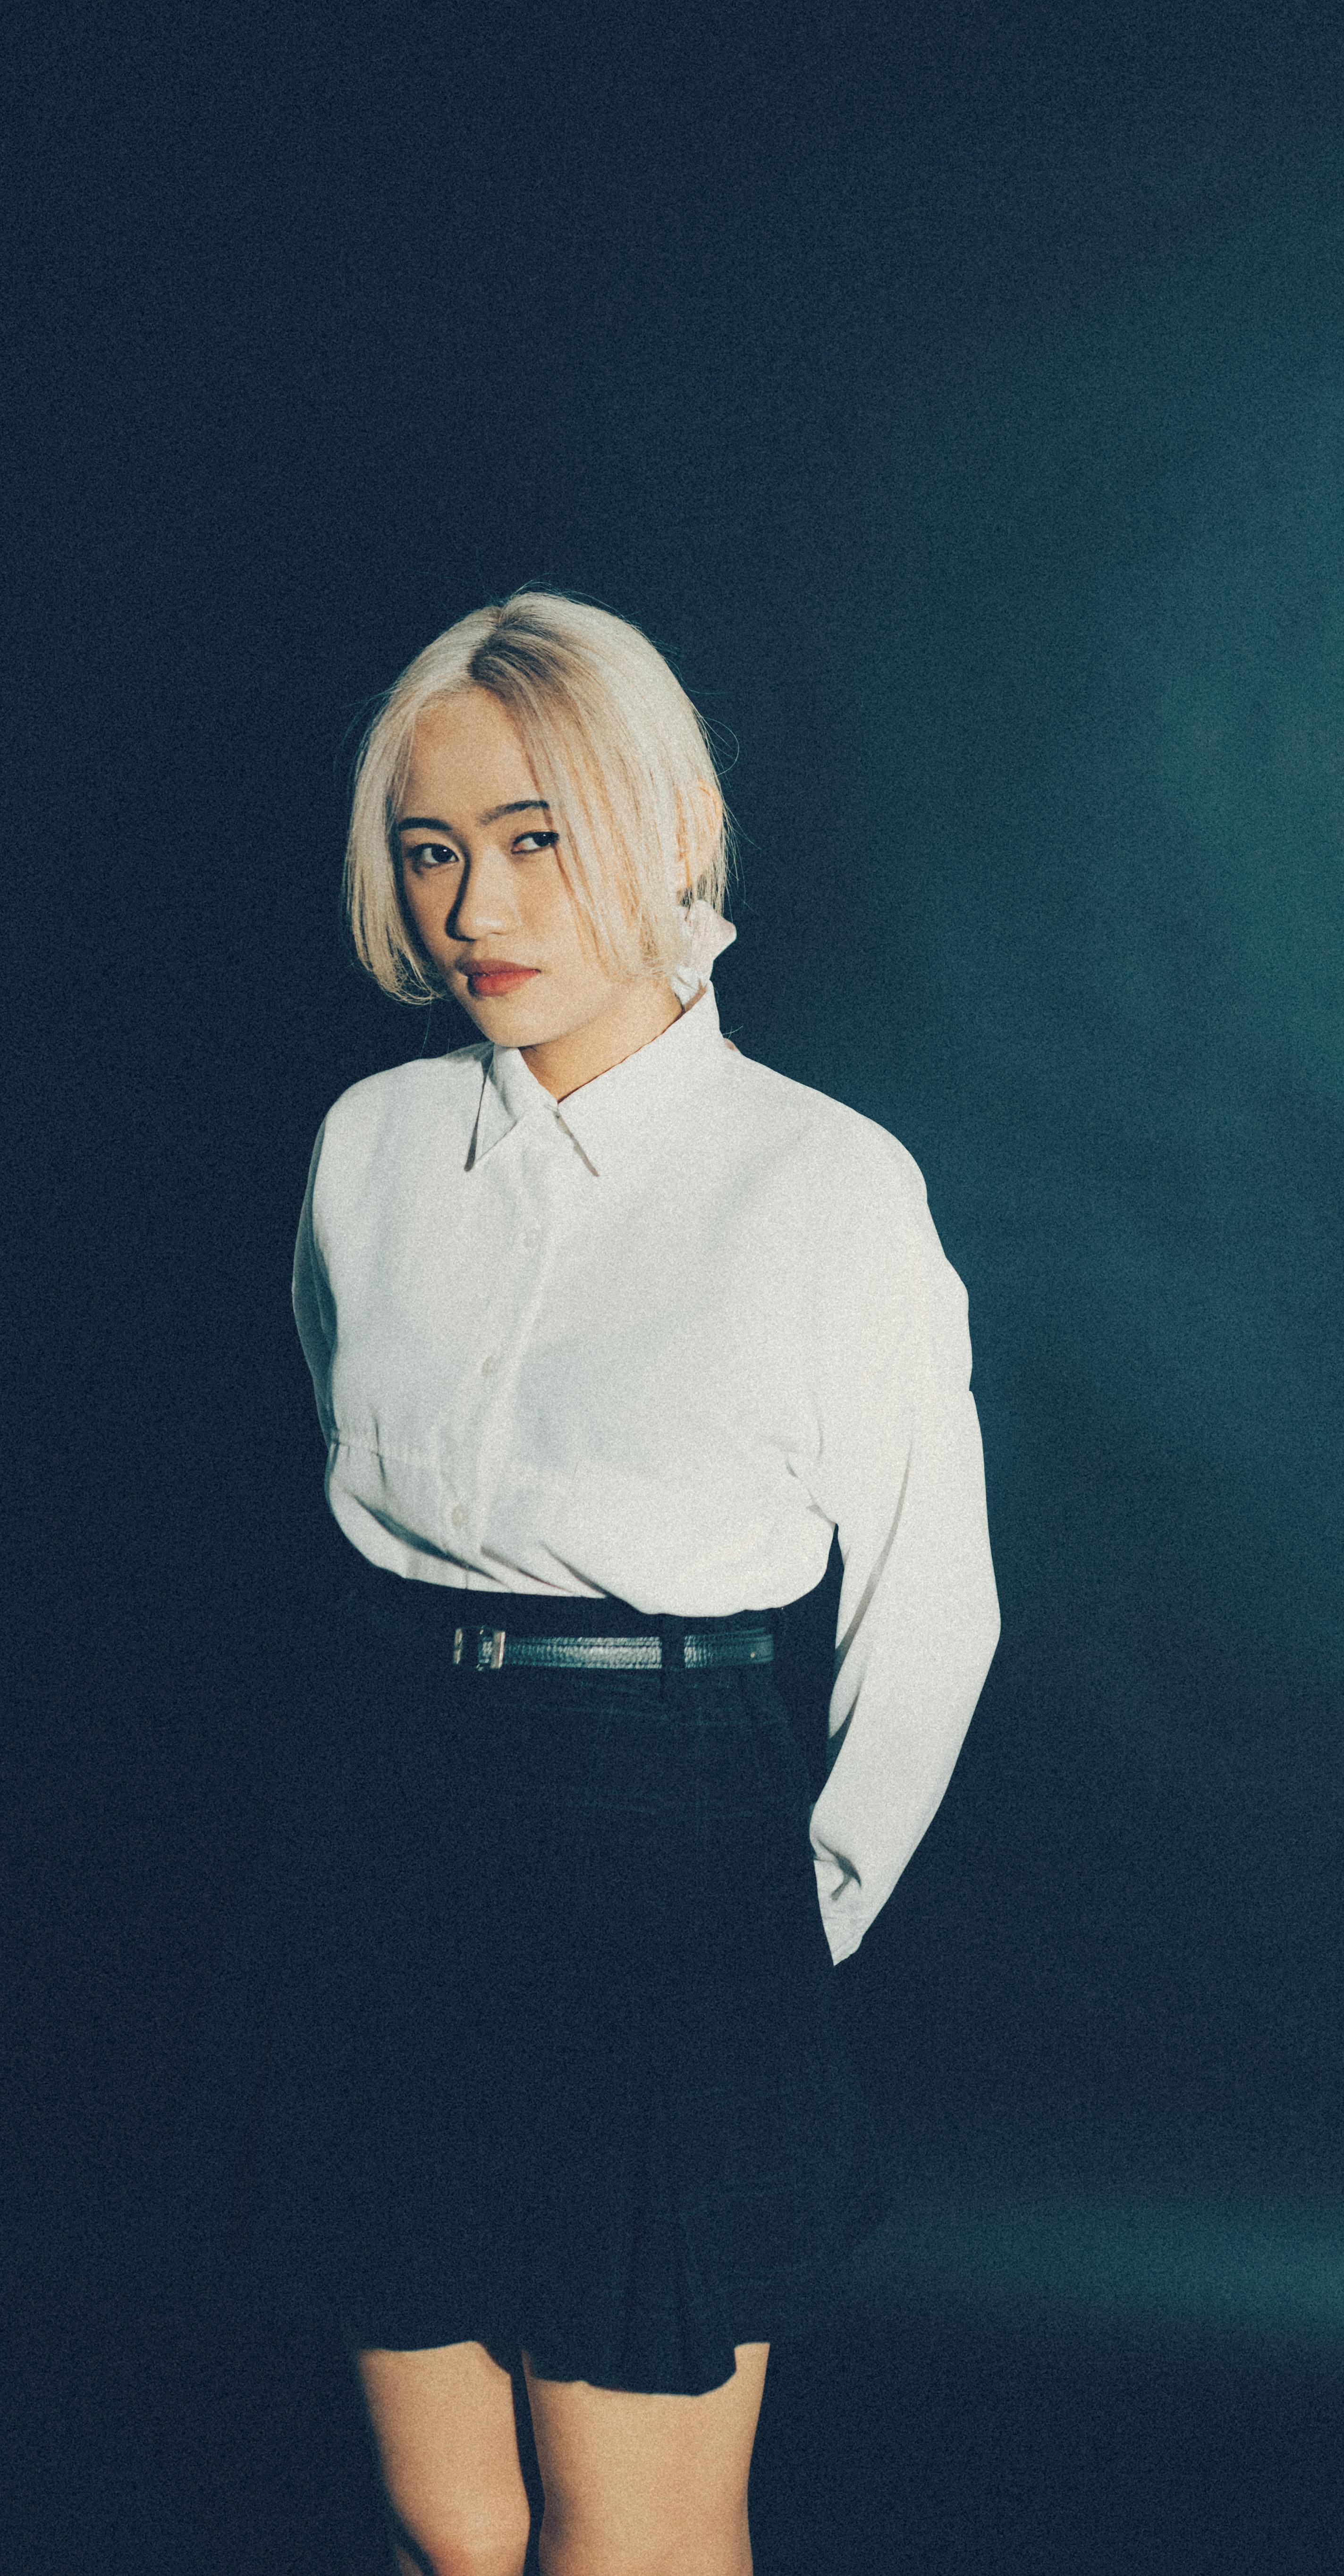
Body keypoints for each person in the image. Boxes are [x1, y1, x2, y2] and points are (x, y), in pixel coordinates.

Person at [264, 589, 999, 2576]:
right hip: (393, 1826)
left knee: (636, 2543)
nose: (473, 906)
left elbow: (936, 1612)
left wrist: (780, 1926)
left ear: (669, 834)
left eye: (535, 839)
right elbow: (363, 1465)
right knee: (445, 2516)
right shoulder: (370, 1146)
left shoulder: (819, 1184)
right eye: (433, 851)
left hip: (666, 1863)